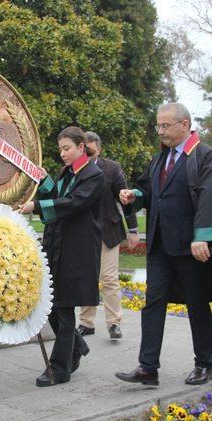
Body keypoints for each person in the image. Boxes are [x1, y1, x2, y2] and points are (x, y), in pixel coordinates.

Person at [115, 102, 212, 387]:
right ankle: (147, 367)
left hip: (190, 248)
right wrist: (134, 195)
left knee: (197, 305)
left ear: (184, 125)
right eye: (158, 126)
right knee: (153, 304)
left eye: (166, 126)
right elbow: (148, 189)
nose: (160, 131)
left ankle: (205, 364)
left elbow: (211, 198)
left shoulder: (204, 156)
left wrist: (202, 237)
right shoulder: (160, 158)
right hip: (158, 246)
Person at [18, 126, 104, 386]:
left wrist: (36, 205)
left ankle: (59, 369)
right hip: (57, 246)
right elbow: (58, 196)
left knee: (64, 308)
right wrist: (45, 181)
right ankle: (76, 348)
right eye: (60, 150)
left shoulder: (93, 175)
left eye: (67, 148)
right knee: (51, 306)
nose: (63, 154)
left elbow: (74, 203)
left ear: (81, 146)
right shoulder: (68, 172)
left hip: (76, 251)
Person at [76, 131, 139, 341]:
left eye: (91, 151)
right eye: (85, 149)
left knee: (109, 278)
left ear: (99, 149)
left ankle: (114, 324)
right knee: (87, 278)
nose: (88, 154)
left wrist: (133, 230)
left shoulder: (112, 168)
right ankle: (86, 323)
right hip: (83, 234)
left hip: (108, 233)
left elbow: (126, 199)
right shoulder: (73, 169)